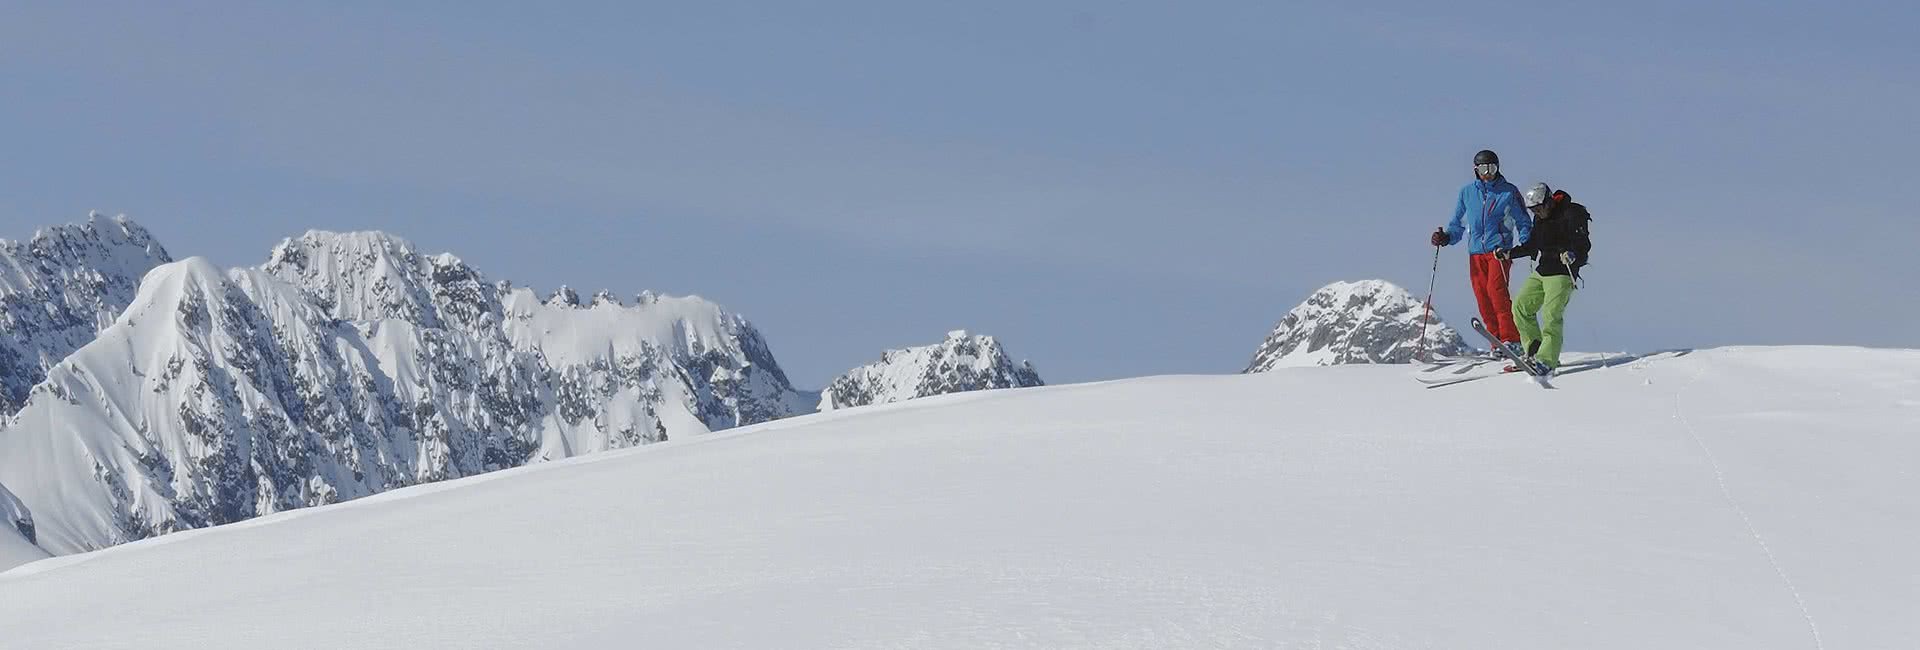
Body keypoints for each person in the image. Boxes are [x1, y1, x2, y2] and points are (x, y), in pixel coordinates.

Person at [1430, 149, 1532, 346]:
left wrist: (1527, 241)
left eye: (1492, 168)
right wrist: (1446, 237)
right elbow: (1457, 224)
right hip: (1476, 252)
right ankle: (1495, 340)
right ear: (1476, 170)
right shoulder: (1467, 193)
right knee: (1482, 296)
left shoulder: (1508, 192)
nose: (1488, 173)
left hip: (1499, 251)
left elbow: (1523, 221)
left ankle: (1511, 338)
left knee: (1497, 291)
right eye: (1484, 168)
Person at [1496, 183, 1592, 371]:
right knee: (1520, 306)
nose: (1537, 213)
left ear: (1549, 202)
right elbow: (1532, 245)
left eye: (1540, 208)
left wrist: (1572, 255)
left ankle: (1547, 361)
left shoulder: (1572, 213)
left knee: (1551, 314)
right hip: (1543, 270)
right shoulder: (1539, 219)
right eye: (1533, 210)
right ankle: (1533, 352)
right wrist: (1509, 254)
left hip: (1563, 272)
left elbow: (1584, 245)